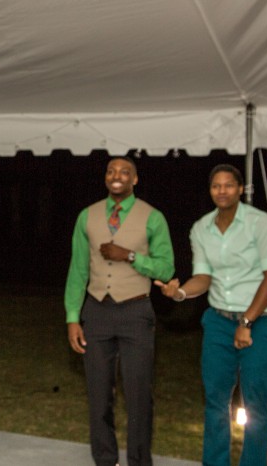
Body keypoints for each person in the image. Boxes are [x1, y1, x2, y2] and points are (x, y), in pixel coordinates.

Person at [155, 164, 267, 466]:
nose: (222, 191)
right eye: (216, 186)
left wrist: (247, 322)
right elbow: (203, 277)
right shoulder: (201, 228)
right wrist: (180, 293)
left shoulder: (260, 223)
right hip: (218, 322)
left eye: (228, 185)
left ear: (240, 189)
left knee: (256, 403)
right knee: (215, 400)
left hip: (263, 321)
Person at [65, 156, 175, 466]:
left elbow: (166, 269)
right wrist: (72, 317)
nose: (117, 176)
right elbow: (78, 270)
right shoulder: (87, 216)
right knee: (99, 394)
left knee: (138, 395)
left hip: (135, 312)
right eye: (111, 171)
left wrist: (130, 256)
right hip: (96, 311)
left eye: (125, 172)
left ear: (135, 179)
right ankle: (105, 459)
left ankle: (139, 461)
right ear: (105, 177)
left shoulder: (153, 217)